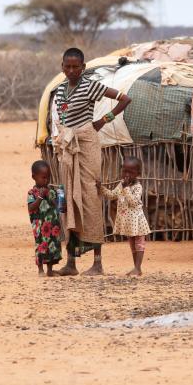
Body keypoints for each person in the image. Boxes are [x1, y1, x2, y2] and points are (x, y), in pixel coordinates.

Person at [51, 47, 131, 276]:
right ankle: (71, 264)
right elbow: (62, 119)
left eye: (76, 66)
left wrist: (102, 121)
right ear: (62, 67)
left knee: (90, 199)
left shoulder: (90, 85)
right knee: (69, 202)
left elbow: (125, 99)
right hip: (68, 148)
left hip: (87, 145)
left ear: (83, 67)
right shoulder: (60, 91)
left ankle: (97, 263)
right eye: (68, 66)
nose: (72, 70)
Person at [98, 155, 151, 277]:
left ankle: (137, 268)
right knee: (133, 246)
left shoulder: (138, 187)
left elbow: (133, 202)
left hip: (137, 221)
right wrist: (101, 188)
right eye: (124, 171)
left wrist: (126, 188)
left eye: (130, 172)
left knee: (139, 244)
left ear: (137, 173)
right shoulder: (122, 184)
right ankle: (136, 268)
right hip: (128, 222)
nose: (126, 174)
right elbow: (112, 195)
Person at [27, 160, 62, 276]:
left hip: (52, 225)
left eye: (48, 178)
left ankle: (50, 270)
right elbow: (31, 208)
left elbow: (57, 205)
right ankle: (40, 270)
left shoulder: (51, 191)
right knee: (41, 246)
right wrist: (40, 198)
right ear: (34, 177)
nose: (46, 180)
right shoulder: (32, 193)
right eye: (43, 177)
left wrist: (53, 198)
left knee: (52, 246)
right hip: (40, 227)